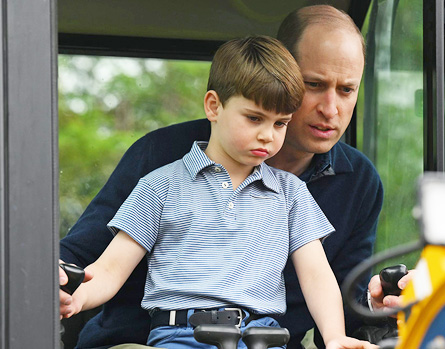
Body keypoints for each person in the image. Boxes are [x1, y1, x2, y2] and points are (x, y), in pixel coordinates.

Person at [60, 5, 384, 349]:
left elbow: (326, 282)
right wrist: (73, 293)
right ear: (215, 106)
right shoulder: (160, 172)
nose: (331, 109)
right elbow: (98, 264)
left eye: (347, 90)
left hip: (265, 338)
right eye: (314, 84)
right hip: (164, 338)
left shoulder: (305, 192)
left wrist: (359, 320)